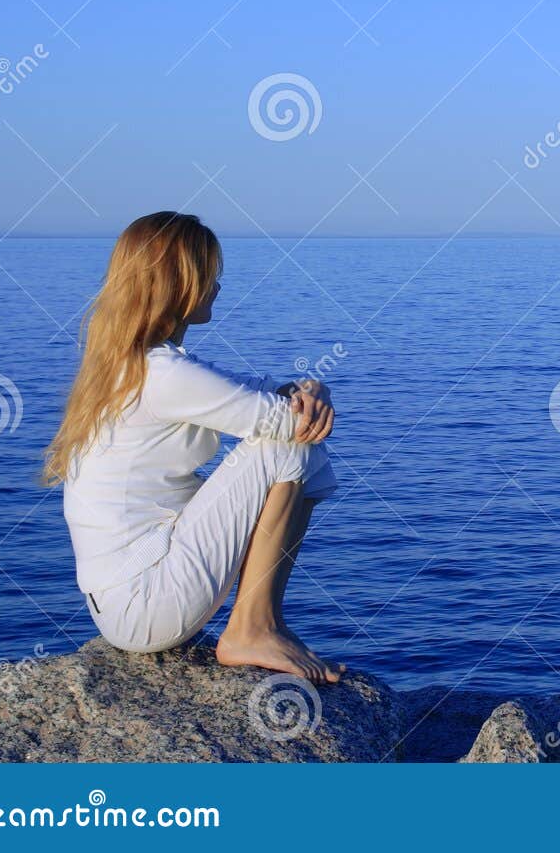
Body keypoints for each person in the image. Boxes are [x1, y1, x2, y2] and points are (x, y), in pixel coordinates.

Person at [43, 211, 343, 682]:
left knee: (289, 440)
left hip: (126, 601)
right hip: (144, 602)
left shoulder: (133, 364)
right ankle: (252, 626)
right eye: (209, 273)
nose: (219, 285)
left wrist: (311, 388)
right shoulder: (163, 375)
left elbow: (265, 391)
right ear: (178, 283)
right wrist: (308, 399)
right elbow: (285, 423)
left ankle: (263, 622)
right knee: (290, 449)